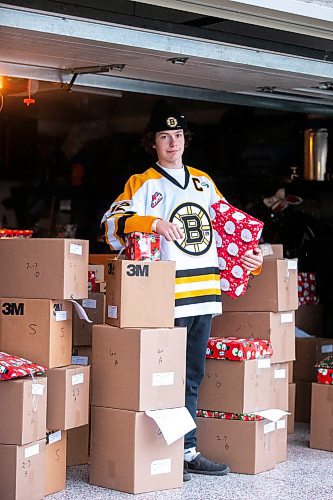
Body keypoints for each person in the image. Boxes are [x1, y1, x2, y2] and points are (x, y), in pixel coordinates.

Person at [101, 99, 263, 480]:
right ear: (152, 142)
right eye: (164, 136)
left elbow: (228, 232)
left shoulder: (204, 182)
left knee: (192, 374)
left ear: (185, 140)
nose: (172, 143)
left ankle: (187, 450)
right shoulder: (142, 183)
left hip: (204, 293)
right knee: (163, 375)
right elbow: (111, 226)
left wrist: (250, 259)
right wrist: (152, 223)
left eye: (177, 136)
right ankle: (163, 452)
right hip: (164, 297)